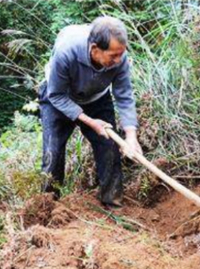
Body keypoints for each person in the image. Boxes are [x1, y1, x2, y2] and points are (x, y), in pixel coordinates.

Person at [38, 16, 142, 207]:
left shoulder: (119, 56)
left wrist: (131, 136)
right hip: (60, 98)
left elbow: (124, 95)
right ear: (95, 49)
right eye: (113, 56)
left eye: (121, 54)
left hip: (96, 97)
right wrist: (90, 121)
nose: (118, 60)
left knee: (109, 147)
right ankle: (48, 206)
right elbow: (57, 95)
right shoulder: (66, 53)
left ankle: (112, 203)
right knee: (52, 154)